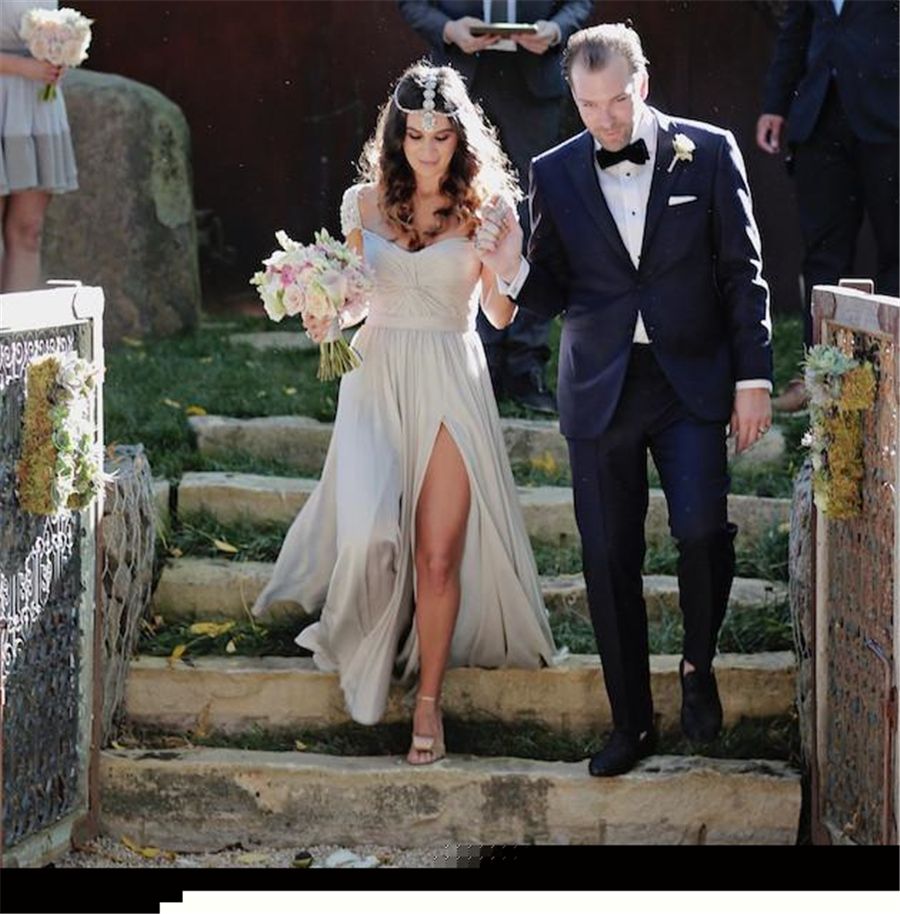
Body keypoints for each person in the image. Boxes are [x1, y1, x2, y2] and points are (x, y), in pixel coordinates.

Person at [476, 23, 773, 776]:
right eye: (588, 105)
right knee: (610, 559)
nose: (605, 119)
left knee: (703, 533)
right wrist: (511, 268)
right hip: (600, 389)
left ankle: (697, 666)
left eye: (617, 101)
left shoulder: (707, 150)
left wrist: (753, 380)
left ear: (642, 82)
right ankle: (630, 724)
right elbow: (551, 290)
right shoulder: (556, 169)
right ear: (573, 97)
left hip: (691, 382)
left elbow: (744, 273)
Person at [252, 62, 559, 765]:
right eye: (415, 133)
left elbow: (500, 315)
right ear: (397, 135)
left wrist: (509, 263)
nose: (427, 148)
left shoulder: (490, 205)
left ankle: (428, 704)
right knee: (367, 534)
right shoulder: (363, 204)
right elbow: (359, 298)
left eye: (441, 135)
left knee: (437, 553)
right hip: (377, 374)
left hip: (452, 372)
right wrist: (328, 312)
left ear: (461, 137)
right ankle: (368, 641)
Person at [397, 0, 594, 414]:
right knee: (461, 204)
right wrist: (449, 30)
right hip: (460, 80)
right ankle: (476, 356)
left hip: (535, 82)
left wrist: (556, 29)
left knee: (537, 212)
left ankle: (526, 363)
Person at [757, 0, 899, 411]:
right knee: (822, 254)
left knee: (897, 251)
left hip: (891, 117)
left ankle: (888, 372)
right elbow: (797, 30)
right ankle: (819, 375)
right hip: (820, 115)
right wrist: (775, 103)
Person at [0, 0, 78, 292]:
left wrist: (60, 57)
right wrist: (22, 67)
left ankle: (17, 335)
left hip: (36, 106)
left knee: (29, 230)